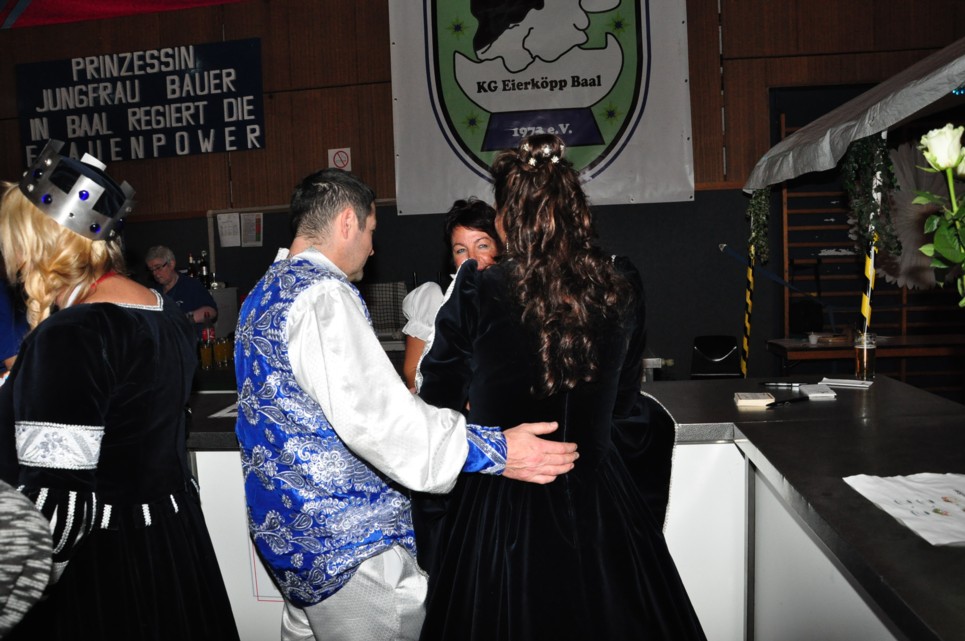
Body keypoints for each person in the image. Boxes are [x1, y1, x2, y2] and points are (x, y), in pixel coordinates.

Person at [233, 167, 578, 641]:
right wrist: (497, 449)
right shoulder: (322, 296)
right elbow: (382, 422)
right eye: (371, 231)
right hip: (348, 547)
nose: (372, 248)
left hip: (290, 540)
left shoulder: (264, 292)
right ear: (348, 222)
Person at [414, 134, 707, 640]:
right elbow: (624, 406)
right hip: (598, 503)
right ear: (576, 209)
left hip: (500, 506)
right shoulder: (619, 285)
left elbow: (436, 409)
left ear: (505, 219)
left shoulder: (476, 289)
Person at [0, 140, 239, 640]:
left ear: (41, 244)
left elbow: (58, 509)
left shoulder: (72, 333)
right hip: (171, 546)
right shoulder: (164, 313)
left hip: (104, 569)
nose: (14, 260)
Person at [401, 197, 502, 389]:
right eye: (461, 250)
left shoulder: (518, 297)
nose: (472, 258)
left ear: (499, 247)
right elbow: (412, 372)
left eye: (482, 245)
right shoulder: (435, 300)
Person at [146, 245, 218, 330]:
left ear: (171, 264)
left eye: (158, 268)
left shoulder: (191, 285)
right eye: (152, 270)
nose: (155, 273)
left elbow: (211, 311)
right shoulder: (154, 292)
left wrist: (182, 320)